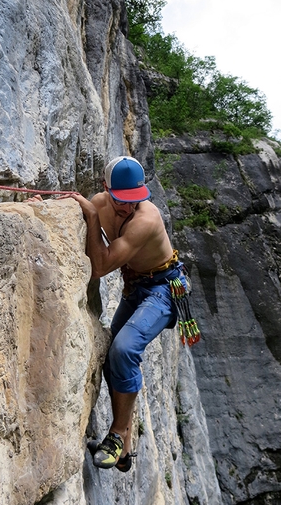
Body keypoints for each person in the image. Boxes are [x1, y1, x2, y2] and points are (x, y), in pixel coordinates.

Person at [67, 156, 187, 472]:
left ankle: (118, 434)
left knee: (124, 349)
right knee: (111, 355)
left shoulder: (146, 219)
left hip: (162, 289)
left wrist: (93, 219)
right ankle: (124, 450)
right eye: (122, 201)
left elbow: (101, 266)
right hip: (136, 287)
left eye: (135, 200)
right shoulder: (100, 203)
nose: (127, 208)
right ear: (107, 189)